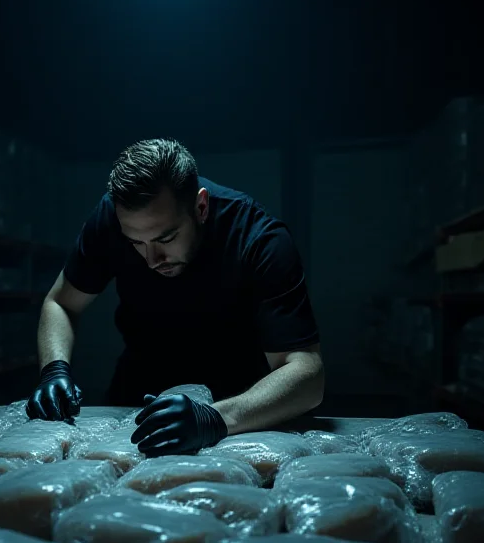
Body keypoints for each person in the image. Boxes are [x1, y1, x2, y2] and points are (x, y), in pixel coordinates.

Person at [25, 138, 324, 456]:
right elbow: (60, 303)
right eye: (136, 243)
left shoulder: (260, 239)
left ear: (201, 206)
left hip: (238, 410)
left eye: (165, 238)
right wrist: (54, 369)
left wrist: (214, 417)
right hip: (140, 396)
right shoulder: (112, 219)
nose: (152, 259)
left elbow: (308, 375)